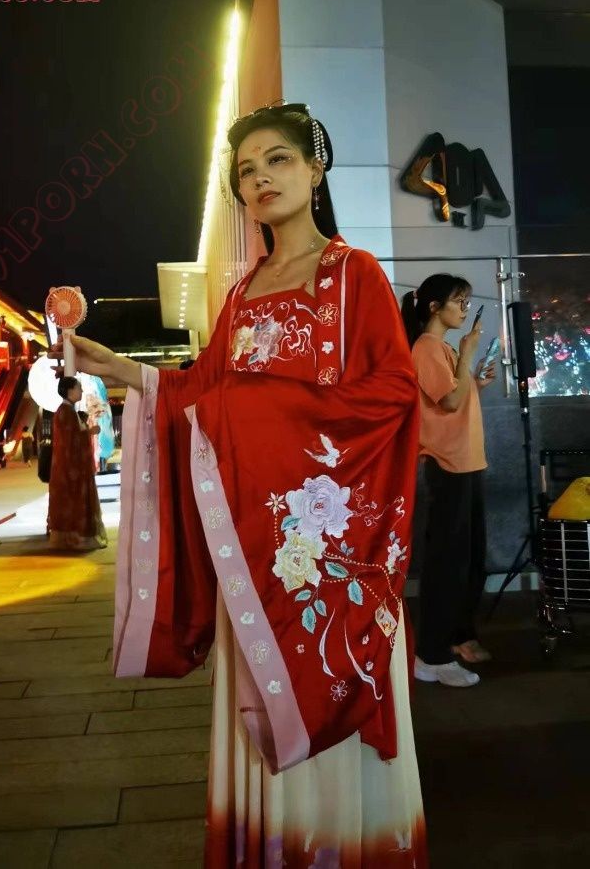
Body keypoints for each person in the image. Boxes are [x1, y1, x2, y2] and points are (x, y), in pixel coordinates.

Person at [50, 102, 426, 867]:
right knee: (258, 708)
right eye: (245, 171)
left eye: (277, 160)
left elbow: (393, 395)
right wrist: (116, 367)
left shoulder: (353, 275)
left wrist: (256, 407)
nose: (260, 179)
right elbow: (199, 394)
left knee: (328, 711)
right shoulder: (244, 292)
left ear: (316, 169)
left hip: (323, 557)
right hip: (253, 559)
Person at [401, 276, 497, 689]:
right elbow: (450, 401)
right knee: (447, 564)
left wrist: (476, 381)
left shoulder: (441, 349)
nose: (464, 310)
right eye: (459, 302)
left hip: (466, 463)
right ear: (434, 307)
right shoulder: (425, 347)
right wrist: (468, 354)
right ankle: (431, 656)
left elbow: (456, 397)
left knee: (469, 561)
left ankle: (454, 639)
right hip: (448, 467)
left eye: (466, 303)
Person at [47, 376, 107, 550]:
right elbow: (71, 440)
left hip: (69, 467)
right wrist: (90, 432)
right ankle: (79, 539)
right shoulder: (66, 412)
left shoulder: (66, 411)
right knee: (78, 503)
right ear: (70, 390)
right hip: (73, 468)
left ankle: (71, 538)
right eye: (78, 388)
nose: (81, 391)